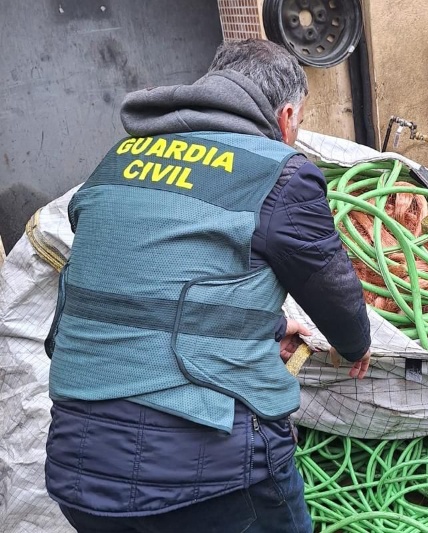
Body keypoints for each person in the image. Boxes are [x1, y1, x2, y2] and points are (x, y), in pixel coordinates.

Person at [44, 39, 371, 533]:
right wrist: (355, 344)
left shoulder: (117, 162)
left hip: (79, 472)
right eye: (298, 126)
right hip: (212, 478)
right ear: (285, 118)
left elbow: (137, 293)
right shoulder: (278, 172)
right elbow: (334, 293)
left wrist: (267, 325)